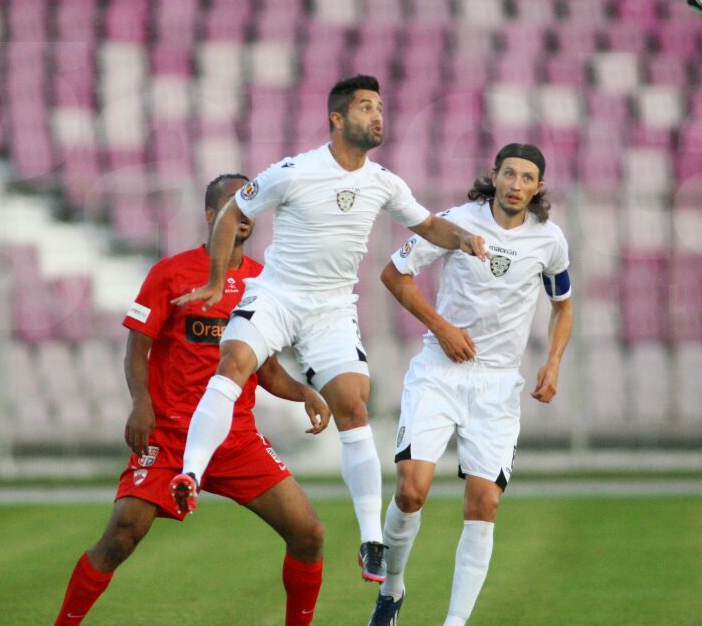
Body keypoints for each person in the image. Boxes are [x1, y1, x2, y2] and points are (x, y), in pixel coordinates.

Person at [170, 75, 488, 583]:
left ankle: (371, 542)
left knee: (353, 405)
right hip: (276, 295)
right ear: (337, 119)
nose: (377, 115)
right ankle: (189, 472)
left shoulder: (383, 182)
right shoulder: (295, 171)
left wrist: (465, 238)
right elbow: (233, 211)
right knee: (232, 363)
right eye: (366, 107)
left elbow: (428, 226)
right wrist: (216, 280)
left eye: (380, 107)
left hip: (331, 310)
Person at [53, 174, 331, 626]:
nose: (242, 217)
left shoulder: (265, 283)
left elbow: (267, 371)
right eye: (232, 208)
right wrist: (141, 404)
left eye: (249, 207)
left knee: (309, 533)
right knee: (122, 533)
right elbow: (137, 346)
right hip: (168, 435)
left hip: (236, 440)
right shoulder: (170, 274)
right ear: (209, 216)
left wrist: (304, 393)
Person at [367, 143, 573, 626]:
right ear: (494, 176)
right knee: (411, 490)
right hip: (439, 371)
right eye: (509, 174)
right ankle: (392, 591)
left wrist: (553, 362)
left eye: (527, 178)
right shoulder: (455, 223)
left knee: (485, 502)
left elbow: (563, 304)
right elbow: (393, 274)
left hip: (498, 385)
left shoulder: (550, 240)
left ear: (538, 187)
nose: (516, 185)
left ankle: (455, 623)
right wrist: (441, 327)